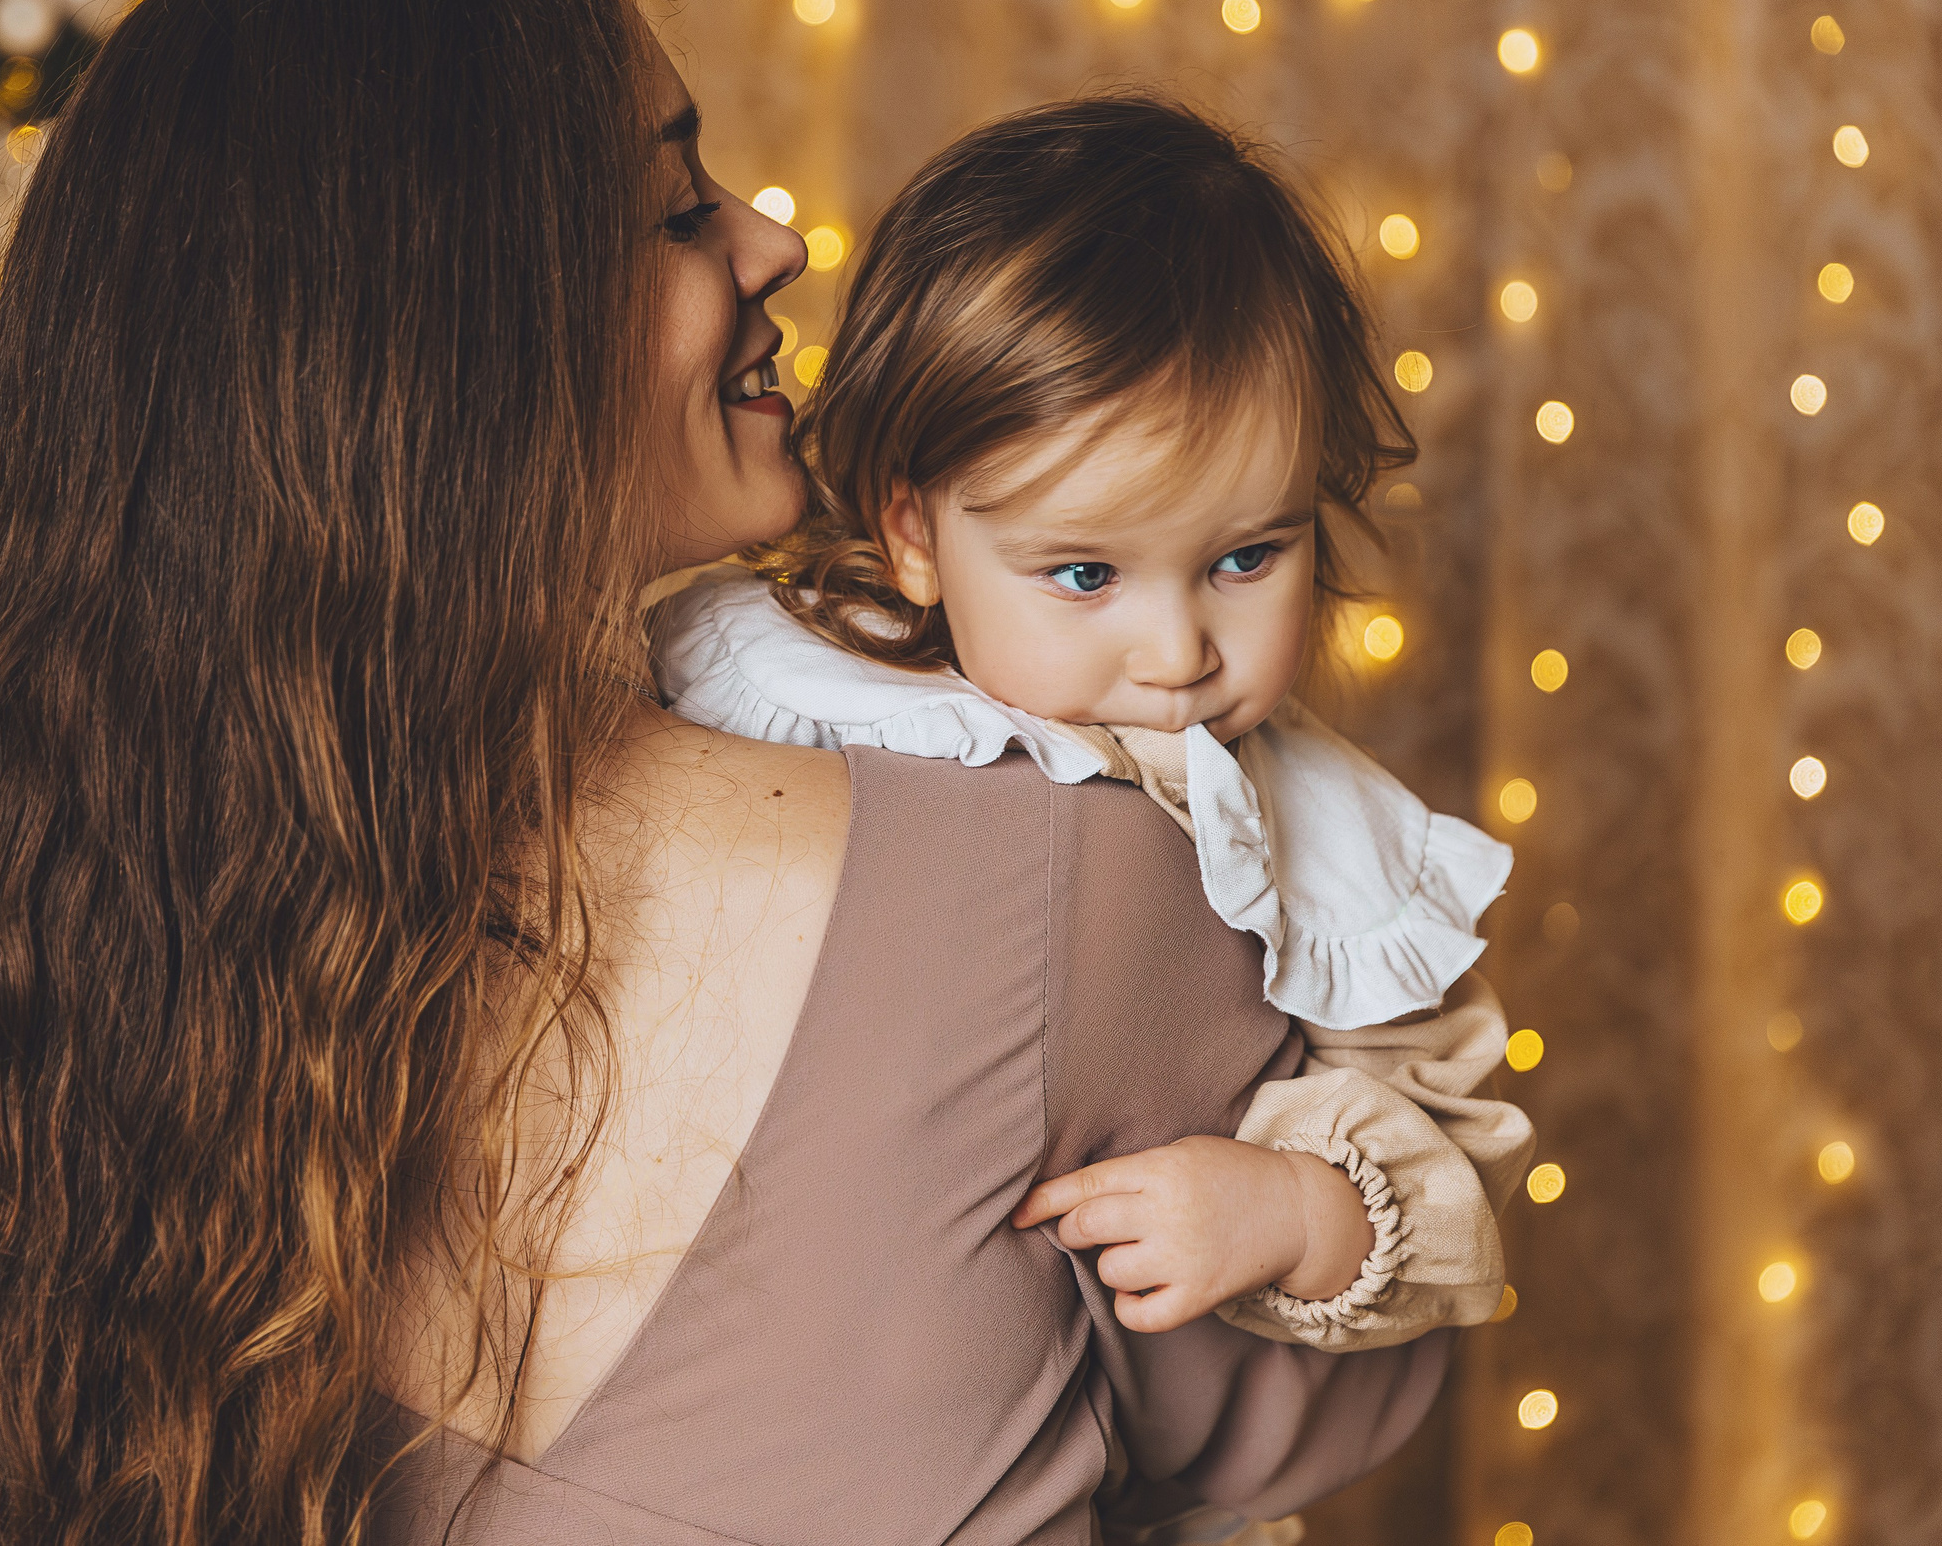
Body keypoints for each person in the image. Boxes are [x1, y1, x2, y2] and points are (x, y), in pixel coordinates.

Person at [0, 0, 1453, 1546]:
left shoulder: (71, 994)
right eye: (677, 206)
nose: (772, 239)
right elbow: (1313, 1396)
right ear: (463, 351)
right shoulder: (1067, 875)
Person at [656, 95, 1536, 1352]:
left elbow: (1459, 1166)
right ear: (913, 534)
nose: (1178, 654)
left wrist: (1293, 1207)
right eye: (1083, 575)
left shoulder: (1333, 840)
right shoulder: (779, 674)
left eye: (1246, 557)